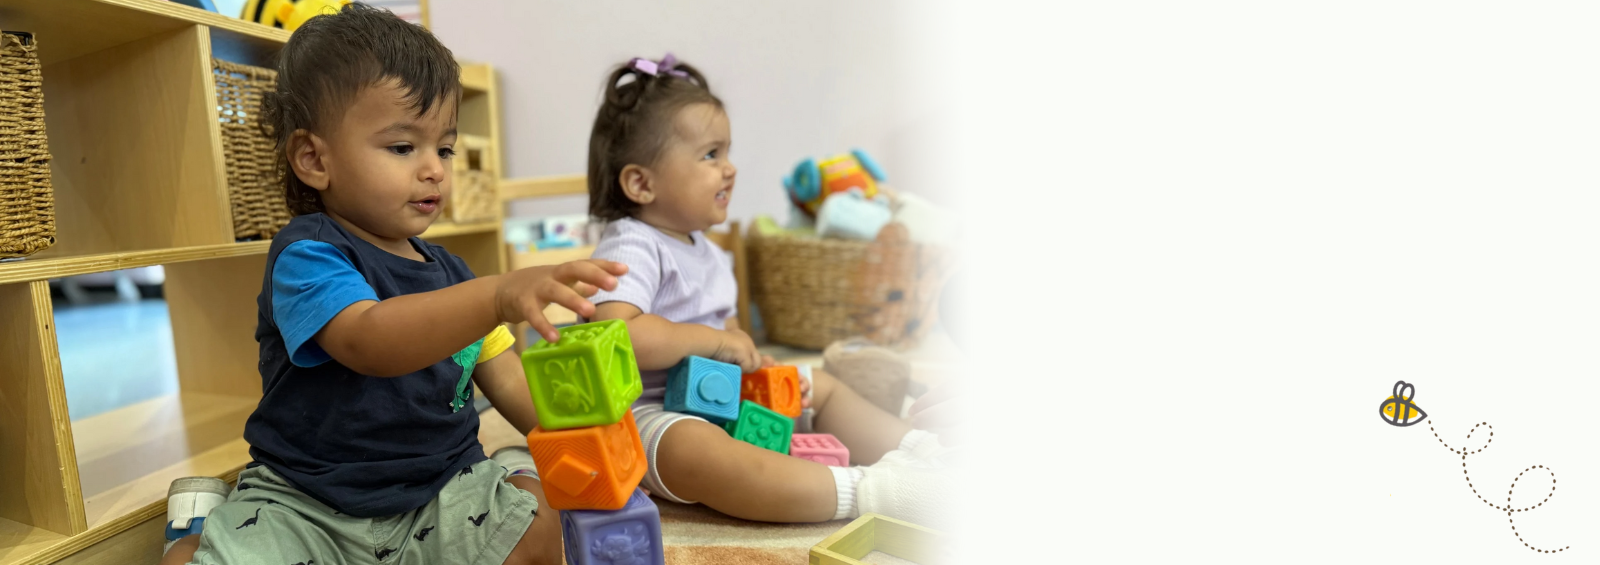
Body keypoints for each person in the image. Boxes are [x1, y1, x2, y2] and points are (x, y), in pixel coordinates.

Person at [158, 5, 623, 564]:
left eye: (444, 148)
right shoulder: (309, 256)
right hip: (310, 506)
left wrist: (586, 440)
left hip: (440, 491)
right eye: (403, 148)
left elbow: (510, 386)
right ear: (313, 158)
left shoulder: (454, 275)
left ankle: (512, 473)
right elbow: (370, 341)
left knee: (543, 527)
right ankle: (200, 529)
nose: (434, 169)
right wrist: (498, 296)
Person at [553, 53, 954, 525]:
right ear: (641, 183)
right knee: (697, 451)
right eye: (710, 155)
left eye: (727, 152)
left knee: (819, 386)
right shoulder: (633, 242)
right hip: (644, 409)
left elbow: (729, 331)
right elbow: (616, 334)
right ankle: (875, 493)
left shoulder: (710, 250)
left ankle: (926, 449)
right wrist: (718, 341)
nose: (730, 169)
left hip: (719, 396)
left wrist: (748, 358)